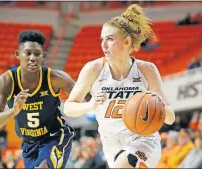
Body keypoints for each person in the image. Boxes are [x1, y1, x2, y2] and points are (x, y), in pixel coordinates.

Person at [64, 4, 175, 168]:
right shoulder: (93, 69)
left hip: (143, 138)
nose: (103, 44)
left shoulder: (147, 70)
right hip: (111, 143)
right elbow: (68, 107)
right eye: (102, 39)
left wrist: (156, 106)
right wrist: (90, 105)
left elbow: (170, 118)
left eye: (109, 39)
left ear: (127, 41)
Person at [0, 30, 76, 168]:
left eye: (37, 54)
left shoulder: (55, 78)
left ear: (43, 56)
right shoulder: (6, 82)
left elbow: (85, 95)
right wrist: (13, 111)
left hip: (55, 136)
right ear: (18, 54)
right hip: (29, 144)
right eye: (27, 53)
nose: (32, 58)